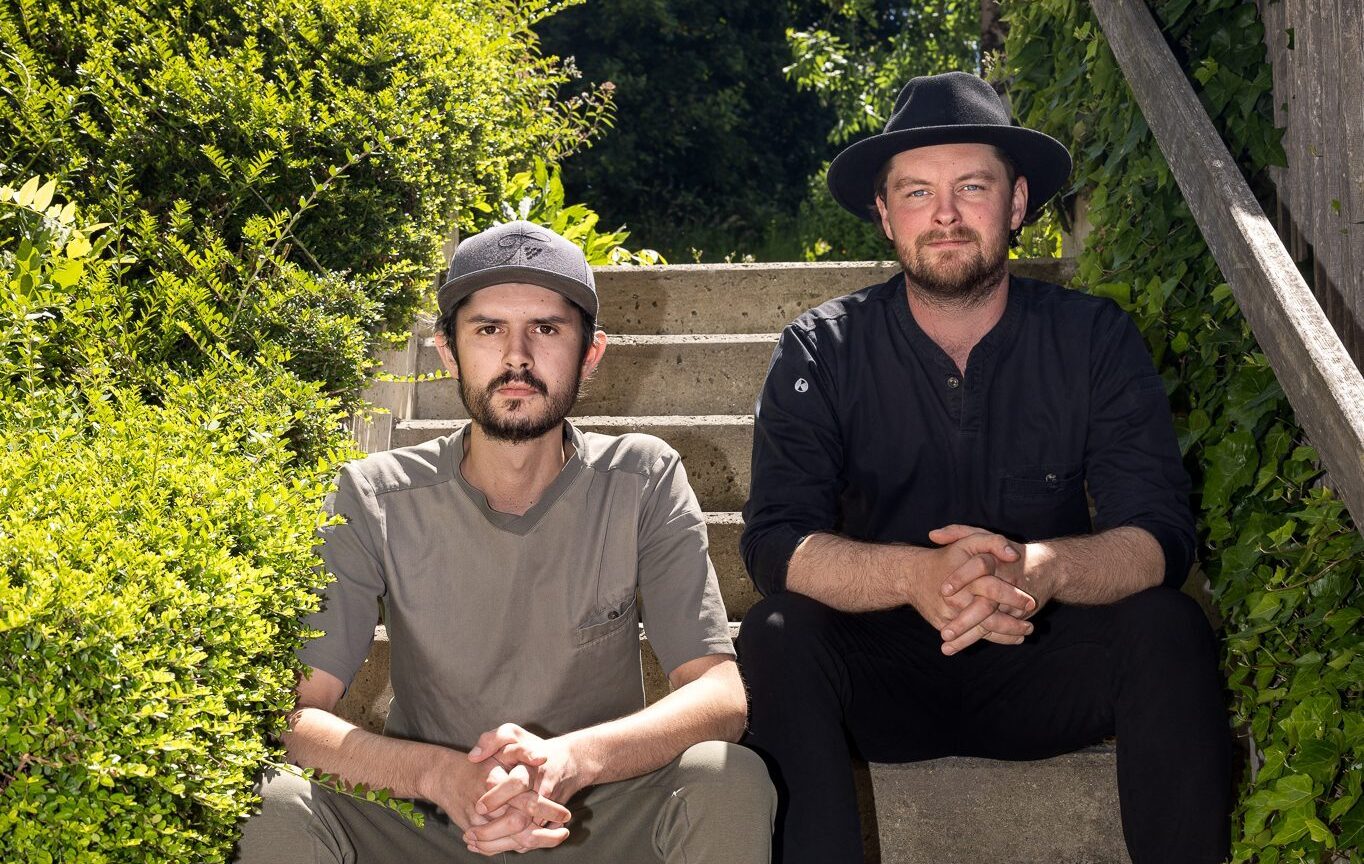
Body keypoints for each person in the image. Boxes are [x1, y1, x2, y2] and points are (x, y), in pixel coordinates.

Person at [737, 72, 1231, 864]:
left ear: (1016, 202)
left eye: (972, 186)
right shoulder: (819, 351)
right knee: (777, 631)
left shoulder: (1095, 338)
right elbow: (774, 546)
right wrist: (914, 578)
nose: (945, 215)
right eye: (916, 192)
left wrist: (1048, 569)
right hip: (880, 680)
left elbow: (1162, 536)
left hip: (1042, 666)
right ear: (884, 212)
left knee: (1167, 627)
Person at [236, 221, 775, 863]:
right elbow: (296, 713)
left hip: (595, 820)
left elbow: (719, 694)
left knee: (728, 776)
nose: (516, 356)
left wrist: (571, 761)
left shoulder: (643, 479)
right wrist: (439, 776)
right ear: (447, 351)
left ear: (590, 353)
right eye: (488, 330)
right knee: (273, 799)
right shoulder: (374, 494)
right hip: (425, 827)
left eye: (546, 329)